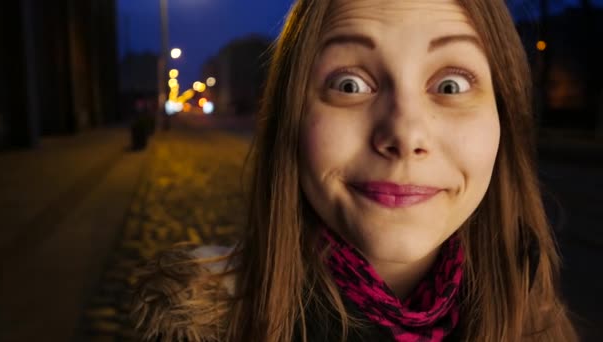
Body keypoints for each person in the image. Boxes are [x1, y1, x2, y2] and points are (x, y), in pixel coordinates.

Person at [131, 0, 578, 341]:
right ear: (291, 115)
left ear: (506, 117)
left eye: (450, 85)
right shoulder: (201, 328)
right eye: (349, 84)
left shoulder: (540, 322)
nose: (405, 134)